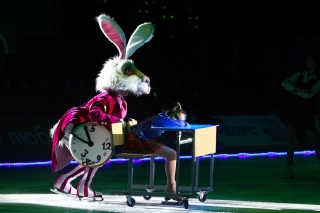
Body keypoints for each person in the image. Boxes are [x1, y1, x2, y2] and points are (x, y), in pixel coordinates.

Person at [123, 102, 189, 201]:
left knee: (172, 154)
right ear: (172, 114)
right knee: (172, 154)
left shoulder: (164, 116)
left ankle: (170, 189)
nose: (175, 120)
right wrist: (183, 123)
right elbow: (179, 125)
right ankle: (171, 189)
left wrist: (181, 121)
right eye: (175, 117)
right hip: (137, 141)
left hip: (142, 139)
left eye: (178, 119)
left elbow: (179, 124)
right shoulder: (161, 118)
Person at [281, 51, 320, 179]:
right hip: (294, 109)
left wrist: (294, 91)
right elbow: (284, 83)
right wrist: (300, 90)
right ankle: (289, 168)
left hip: (306, 112)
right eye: (306, 60)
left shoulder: (318, 79)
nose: (306, 63)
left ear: (315, 63)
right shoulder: (301, 74)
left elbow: (309, 95)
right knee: (290, 140)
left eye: (309, 60)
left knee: (314, 142)